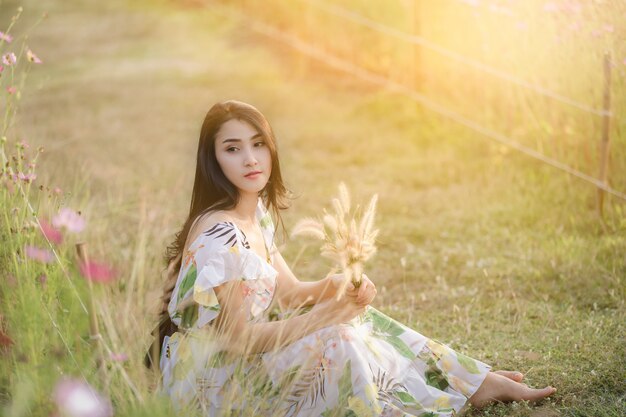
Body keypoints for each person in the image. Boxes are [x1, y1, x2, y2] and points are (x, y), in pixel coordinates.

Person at [145, 100, 556, 416]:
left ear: (272, 150)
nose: (250, 159)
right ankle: (428, 397)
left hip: (235, 360)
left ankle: (469, 382)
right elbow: (236, 341)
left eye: (258, 145)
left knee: (356, 317)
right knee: (337, 336)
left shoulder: (254, 214)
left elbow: (288, 293)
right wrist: (327, 316)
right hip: (211, 382)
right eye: (232, 149)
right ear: (212, 160)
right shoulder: (222, 234)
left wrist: (333, 286)